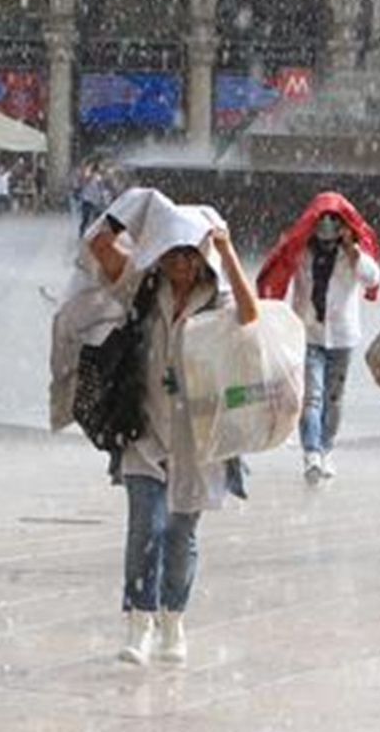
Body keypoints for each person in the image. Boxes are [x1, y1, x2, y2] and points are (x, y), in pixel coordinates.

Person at [87, 189, 259, 667]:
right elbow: (99, 245)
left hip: (199, 438)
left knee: (180, 535)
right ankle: (139, 624)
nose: (180, 264)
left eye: (189, 253)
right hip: (144, 432)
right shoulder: (142, 288)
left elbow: (250, 316)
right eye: (171, 253)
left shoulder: (217, 298)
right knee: (145, 527)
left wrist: (226, 250)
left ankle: (173, 621)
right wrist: (136, 206)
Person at [257, 192, 380, 486]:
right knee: (310, 396)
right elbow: (278, 272)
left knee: (334, 399)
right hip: (308, 333)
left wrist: (352, 249)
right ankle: (311, 452)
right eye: (322, 220)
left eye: (335, 221)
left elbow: (372, 278)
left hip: (342, 337)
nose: (327, 227)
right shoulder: (300, 250)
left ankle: (326, 448)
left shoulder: (353, 255)